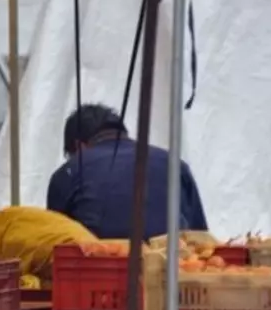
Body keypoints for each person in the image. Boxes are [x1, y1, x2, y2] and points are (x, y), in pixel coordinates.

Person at [46, 103, 209, 240]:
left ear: (79, 146)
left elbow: (53, 243)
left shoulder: (68, 172)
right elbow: (200, 239)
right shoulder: (174, 164)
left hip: (97, 272)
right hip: (171, 271)